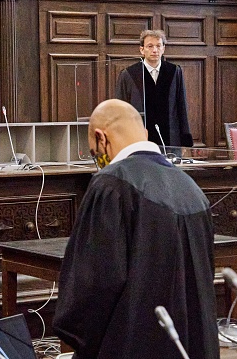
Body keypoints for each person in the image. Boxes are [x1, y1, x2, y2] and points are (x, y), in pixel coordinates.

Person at [52, 99, 219, 359]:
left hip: (130, 346)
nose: (99, 160)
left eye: (95, 153)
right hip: (190, 344)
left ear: (101, 138)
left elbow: (94, 283)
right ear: (145, 134)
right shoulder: (191, 189)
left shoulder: (110, 185)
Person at [115, 29, 193, 151]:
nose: (155, 50)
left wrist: (184, 140)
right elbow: (121, 110)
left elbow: (181, 106)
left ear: (163, 48)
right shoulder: (129, 74)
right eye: (150, 46)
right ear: (142, 50)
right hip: (138, 140)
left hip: (170, 140)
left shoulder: (174, 71)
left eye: (158, 46)